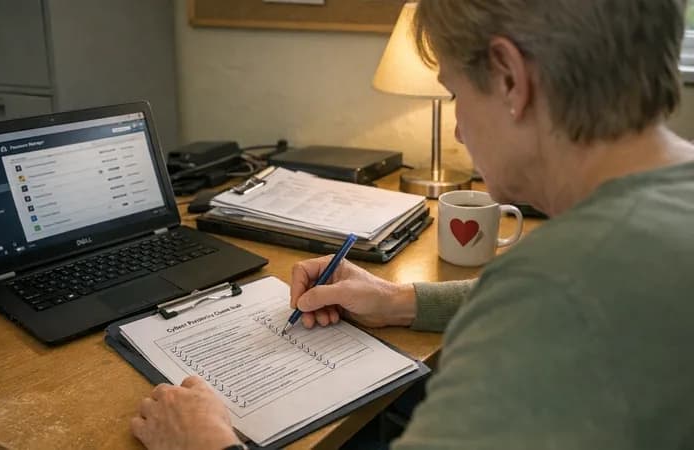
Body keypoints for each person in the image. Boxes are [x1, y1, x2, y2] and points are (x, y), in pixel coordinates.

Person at [130, 0, 694, 448]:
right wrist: (399, 300)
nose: (458, 133)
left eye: (454, 94)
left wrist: (205, 444)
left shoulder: (557, 289)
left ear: (509, 79)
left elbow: (558, 300)